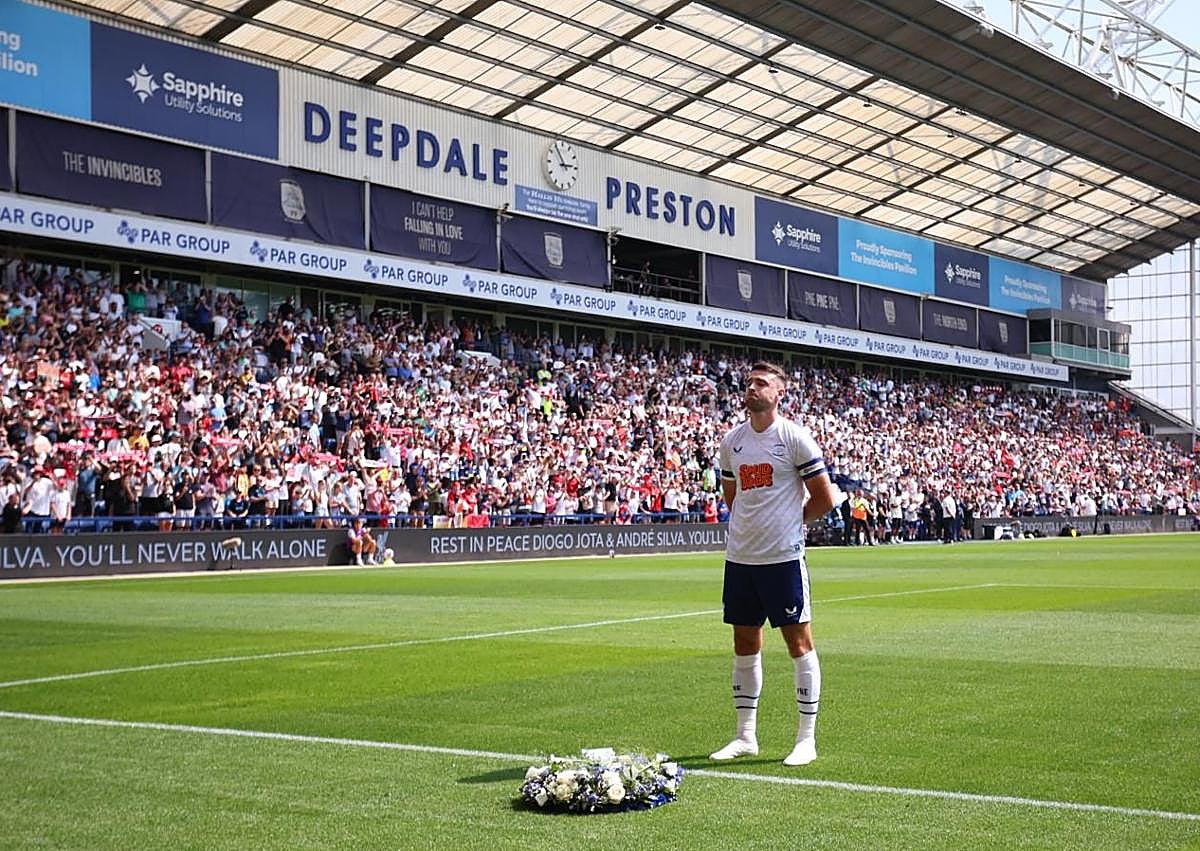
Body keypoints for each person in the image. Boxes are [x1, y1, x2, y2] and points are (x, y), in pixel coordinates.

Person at [710, 361, 836, 768]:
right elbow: (734, 497)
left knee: (798, 644)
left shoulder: (794, 437)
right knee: (745, 643)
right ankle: (745, 736)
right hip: (741, 558)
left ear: (779, 393)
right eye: (749, 382)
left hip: (782, 559)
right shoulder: (732, 441)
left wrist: (793, 524)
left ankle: (806, 739)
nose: (752, 388)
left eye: (762, 383)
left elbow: (825, 498)